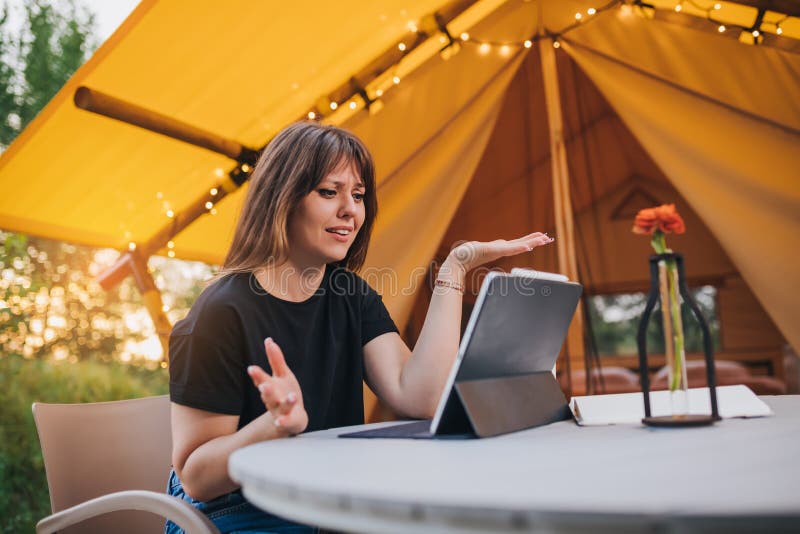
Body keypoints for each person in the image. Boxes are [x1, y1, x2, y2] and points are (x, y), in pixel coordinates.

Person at [165, 121, 554, 533]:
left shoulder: (350, 294)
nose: (350, 210)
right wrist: (274, 425)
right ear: (282, 199)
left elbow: (419, 395)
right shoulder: (220, 312)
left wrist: (455, 269)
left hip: (322, 497)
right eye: (329, 192)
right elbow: (196, 477)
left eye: (358, 195)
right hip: (239, 509)